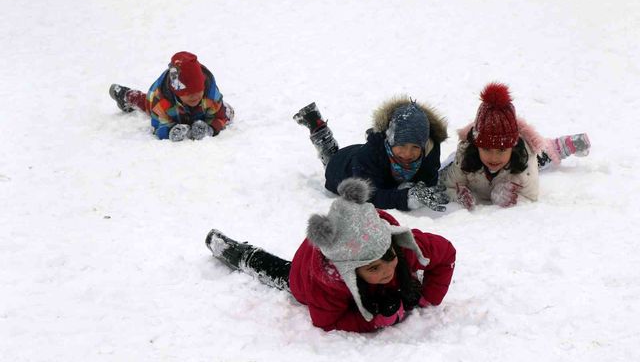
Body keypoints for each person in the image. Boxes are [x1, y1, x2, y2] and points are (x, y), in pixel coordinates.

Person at [205, 178, 456, 333]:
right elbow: (326, 321)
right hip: (306, 273)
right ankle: (235, 252)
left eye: (387, 258)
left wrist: (427, 297)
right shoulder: (328, 283)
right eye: (372, 269)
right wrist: (373, 321)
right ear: (350, 271)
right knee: (281, 272)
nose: (386, 270)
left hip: (347, 239)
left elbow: (446, 254)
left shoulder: (401, 246)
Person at [439, 82, 591, 209]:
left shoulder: (525, 160)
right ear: (476, 145)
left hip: (520, 159)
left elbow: (531, 196)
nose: (493, 157)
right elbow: (448, 186)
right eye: (486, 149)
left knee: (542, 155)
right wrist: (458, 196)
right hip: (471, 158)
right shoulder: (465, 155)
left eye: (502, 150)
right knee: (449, 165)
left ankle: (560, 145)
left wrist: (506, 197)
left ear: (513, 145)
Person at [293, 97, 449, 212]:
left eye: (415, 147)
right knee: (331, 157)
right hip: (342, 168)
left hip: (365, 159)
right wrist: (406, 198)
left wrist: (421, 187)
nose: (408, 154)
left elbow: (429, 178)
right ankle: (319, 129)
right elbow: (367, 195)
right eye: (401, 145)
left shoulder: (430, 149)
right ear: (390, 140)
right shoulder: (369, 156)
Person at [109, 51, 234, 141]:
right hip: (168, 108)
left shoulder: (210, 95)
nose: (194, 96)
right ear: (176, 92)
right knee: (146, 104)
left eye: (198, 91)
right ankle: (126, 95)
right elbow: (157, 126)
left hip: (201, 109)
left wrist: (210, 128)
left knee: (228, 112)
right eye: (188, 93)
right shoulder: (161, 101)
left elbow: (221, 116)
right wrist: (170, 131)